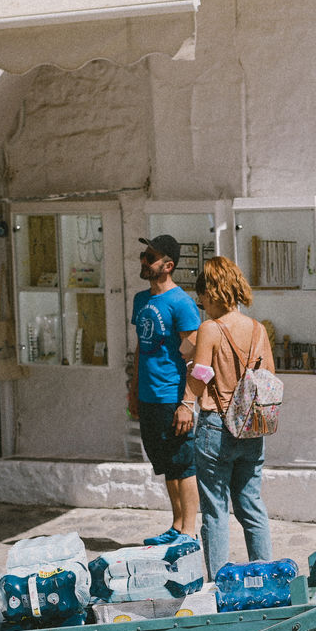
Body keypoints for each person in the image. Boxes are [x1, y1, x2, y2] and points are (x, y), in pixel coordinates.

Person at [175, 255, 274, 576]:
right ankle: (266, 577)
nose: (201, 303)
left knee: (215, 511)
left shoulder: (210, 329)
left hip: (216, 426)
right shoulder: (258, 329)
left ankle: (220, 583)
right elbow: (269, 377)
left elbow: (201, 375)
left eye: (202, 296)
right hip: (251, 426)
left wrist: (186, 400)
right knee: (252, 506)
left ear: (212, 292)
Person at [130, 234, 201, 546]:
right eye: (144, 255)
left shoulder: (181, 303)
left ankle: (189, 531)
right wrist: (134, 389)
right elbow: (140, 349)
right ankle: (176, 524)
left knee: (183, 463)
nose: (144, 261)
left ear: (168, 266)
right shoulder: (141, 300)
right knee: (165, 463)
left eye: (151, 257)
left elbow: (195, 355)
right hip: (149, 395)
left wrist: (187, 403)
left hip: (172, 395)